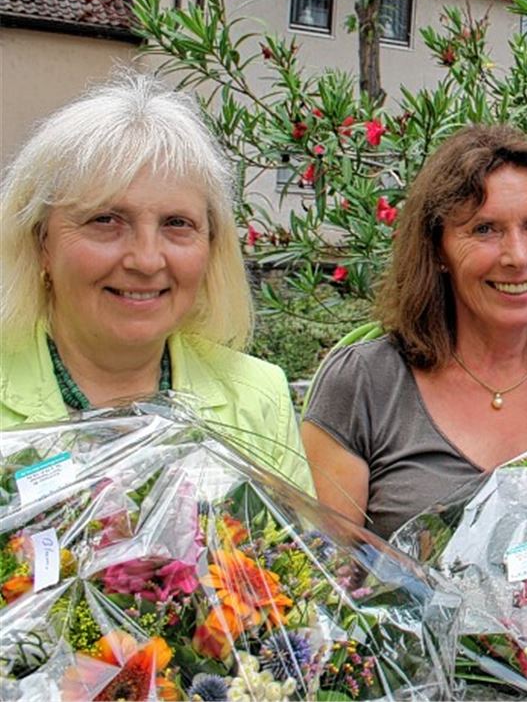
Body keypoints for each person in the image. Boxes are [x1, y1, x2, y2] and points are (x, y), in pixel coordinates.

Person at [0, 73, 314, 495]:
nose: (146, 260)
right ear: (41, 242)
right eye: (105, 220)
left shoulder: (258, 396)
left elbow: (294, 538)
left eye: (177, 224)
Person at [301, 125, 527, 538]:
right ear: (438, 249)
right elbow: (326, 568)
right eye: (485, 229)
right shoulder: (364, 384)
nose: (517, 256)